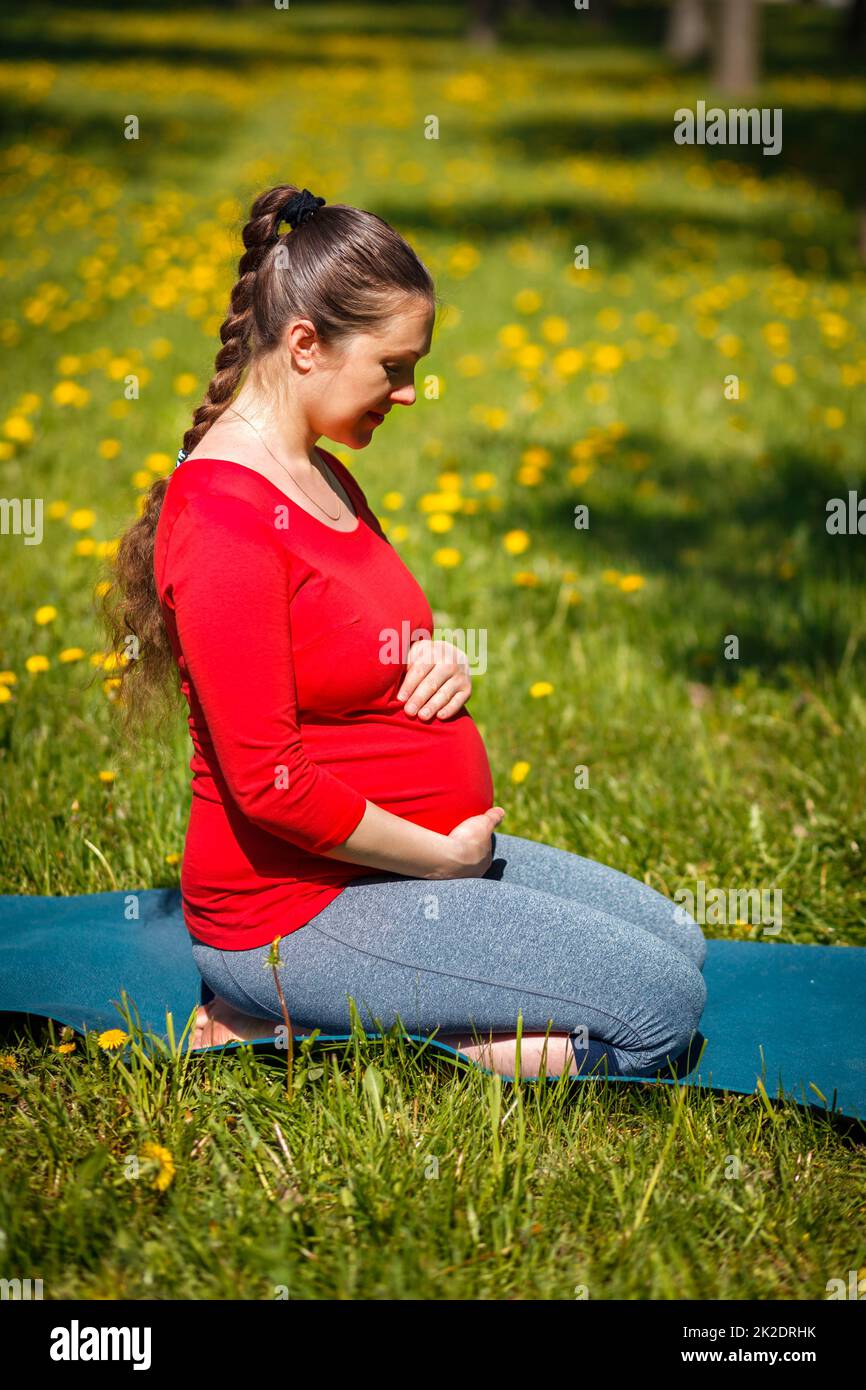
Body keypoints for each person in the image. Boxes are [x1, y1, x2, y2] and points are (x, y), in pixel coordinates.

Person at [103, 183, 706, 1080]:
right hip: (295, 909)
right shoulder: (224, 522)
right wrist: (440, 861)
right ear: (305, 344)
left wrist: (433, 660)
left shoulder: (324, 475)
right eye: (393, 365)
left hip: (399, 868)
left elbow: (364, 633)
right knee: (661, 1012)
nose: (411, 392)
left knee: (681, 941)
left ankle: (340, 1005)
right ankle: (270, 1013)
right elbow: (270, 786)